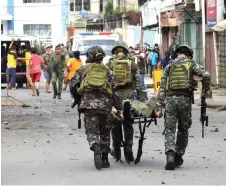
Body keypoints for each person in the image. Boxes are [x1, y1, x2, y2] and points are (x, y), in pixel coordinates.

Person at [155, 45, 211, 170]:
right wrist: (205, 91)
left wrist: (159, 107)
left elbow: (162, 88)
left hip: (170, 101)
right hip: (184, 101)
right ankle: (178, 156)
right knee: (183, 129)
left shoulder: (169, 66)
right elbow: (206, 75)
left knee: (170, 128)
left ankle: (169, 155)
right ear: (189, 55)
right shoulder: (192, 64)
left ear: (177, 54)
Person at [70, 46, 120, 170]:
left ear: (89, 57)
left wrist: (77, 97)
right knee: (105, 133)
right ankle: (105, 159)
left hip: (88, 106)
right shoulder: (108, 71)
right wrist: (116, 107)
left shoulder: (83, 69)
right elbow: (114, 89)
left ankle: (95, 145)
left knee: (92, 131)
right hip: (106, 107)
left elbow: (72, 86)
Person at [106, 41, 142, 163]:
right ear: (125, 52)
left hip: (115, 96)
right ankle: (129, 146)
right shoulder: (132, 63)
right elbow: (138, 82)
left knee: (115, 123)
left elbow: (106, 81)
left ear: (115, 52)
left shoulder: (110, 63)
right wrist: (142, 100)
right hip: (129, 96)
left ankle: (116, 149)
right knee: (128, 122)